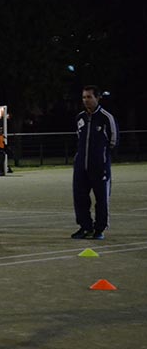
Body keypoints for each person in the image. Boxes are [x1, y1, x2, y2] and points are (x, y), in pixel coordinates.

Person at [71, 85, 119, 240]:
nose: (86, 100)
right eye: (84, 97)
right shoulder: (80, 118)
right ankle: (85, 227)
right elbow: (79, 139)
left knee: (101, 199)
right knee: (80, 197)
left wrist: (101, 158)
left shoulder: (106, 117)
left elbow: (113, 141)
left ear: (98, 98)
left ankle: (99, 229)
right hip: (81, 167)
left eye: (89, 97)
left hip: (99, 167)